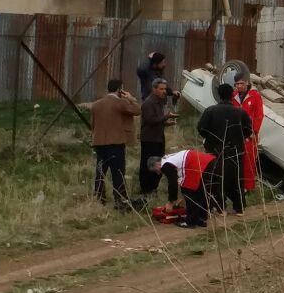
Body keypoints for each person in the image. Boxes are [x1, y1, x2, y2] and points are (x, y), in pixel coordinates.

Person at [196, 83, 252, 215]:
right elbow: (249, 130)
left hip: (215, 150)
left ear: (219, 95)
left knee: (217, 179)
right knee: (236, 179)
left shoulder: (210, 111)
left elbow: (201, 128)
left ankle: (220, 208)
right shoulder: (240, 112)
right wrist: (239, 138)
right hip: (236, 150)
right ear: (232, 95)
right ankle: (239, 208)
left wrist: (210, 138)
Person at [90, 78, 140, 210]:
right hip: (116, 143)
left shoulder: (97, 104)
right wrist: (131, 98)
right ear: (120, 90)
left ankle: (99, 197)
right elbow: (137, 110)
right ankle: (120, 198)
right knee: (118, 172)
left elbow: (93, 124)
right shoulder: (120, 103)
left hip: (99, 142)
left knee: (100, 171)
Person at [149, 150, 217, 228]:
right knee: (199, 191)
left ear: (157, 164)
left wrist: (171, 201)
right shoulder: (168, 159)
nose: (158, 173)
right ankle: (199, 218)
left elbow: (172, 183)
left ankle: (190, 222)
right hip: (208, 161)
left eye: (155, 170)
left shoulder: (165, 164)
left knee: (189, 191)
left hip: (195, 163)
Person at [138, 77, 172, 196]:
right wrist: (165, 117)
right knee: (148, 163)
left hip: (158, 138)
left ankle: (153, 187)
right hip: (149, 139)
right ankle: (145, 189)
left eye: (165, 89)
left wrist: (166, 123)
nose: (164, 91)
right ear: (154, 89)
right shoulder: (149, 103)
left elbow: (157, 120)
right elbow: (150, 120)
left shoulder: (159, 102)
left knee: (158, 163)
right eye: (161, 89)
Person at [232, 76, 264, 193]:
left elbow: (259, 115)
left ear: (246, 83)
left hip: (250, 134)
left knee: (249, 160)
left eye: (241, 83)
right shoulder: (234, 96)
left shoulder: (254, 95)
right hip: (236, 132)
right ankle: (237, 184)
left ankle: (248, 186)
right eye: (237, 84)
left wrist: (254, 131)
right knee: (236, 159)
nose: (239, 86)